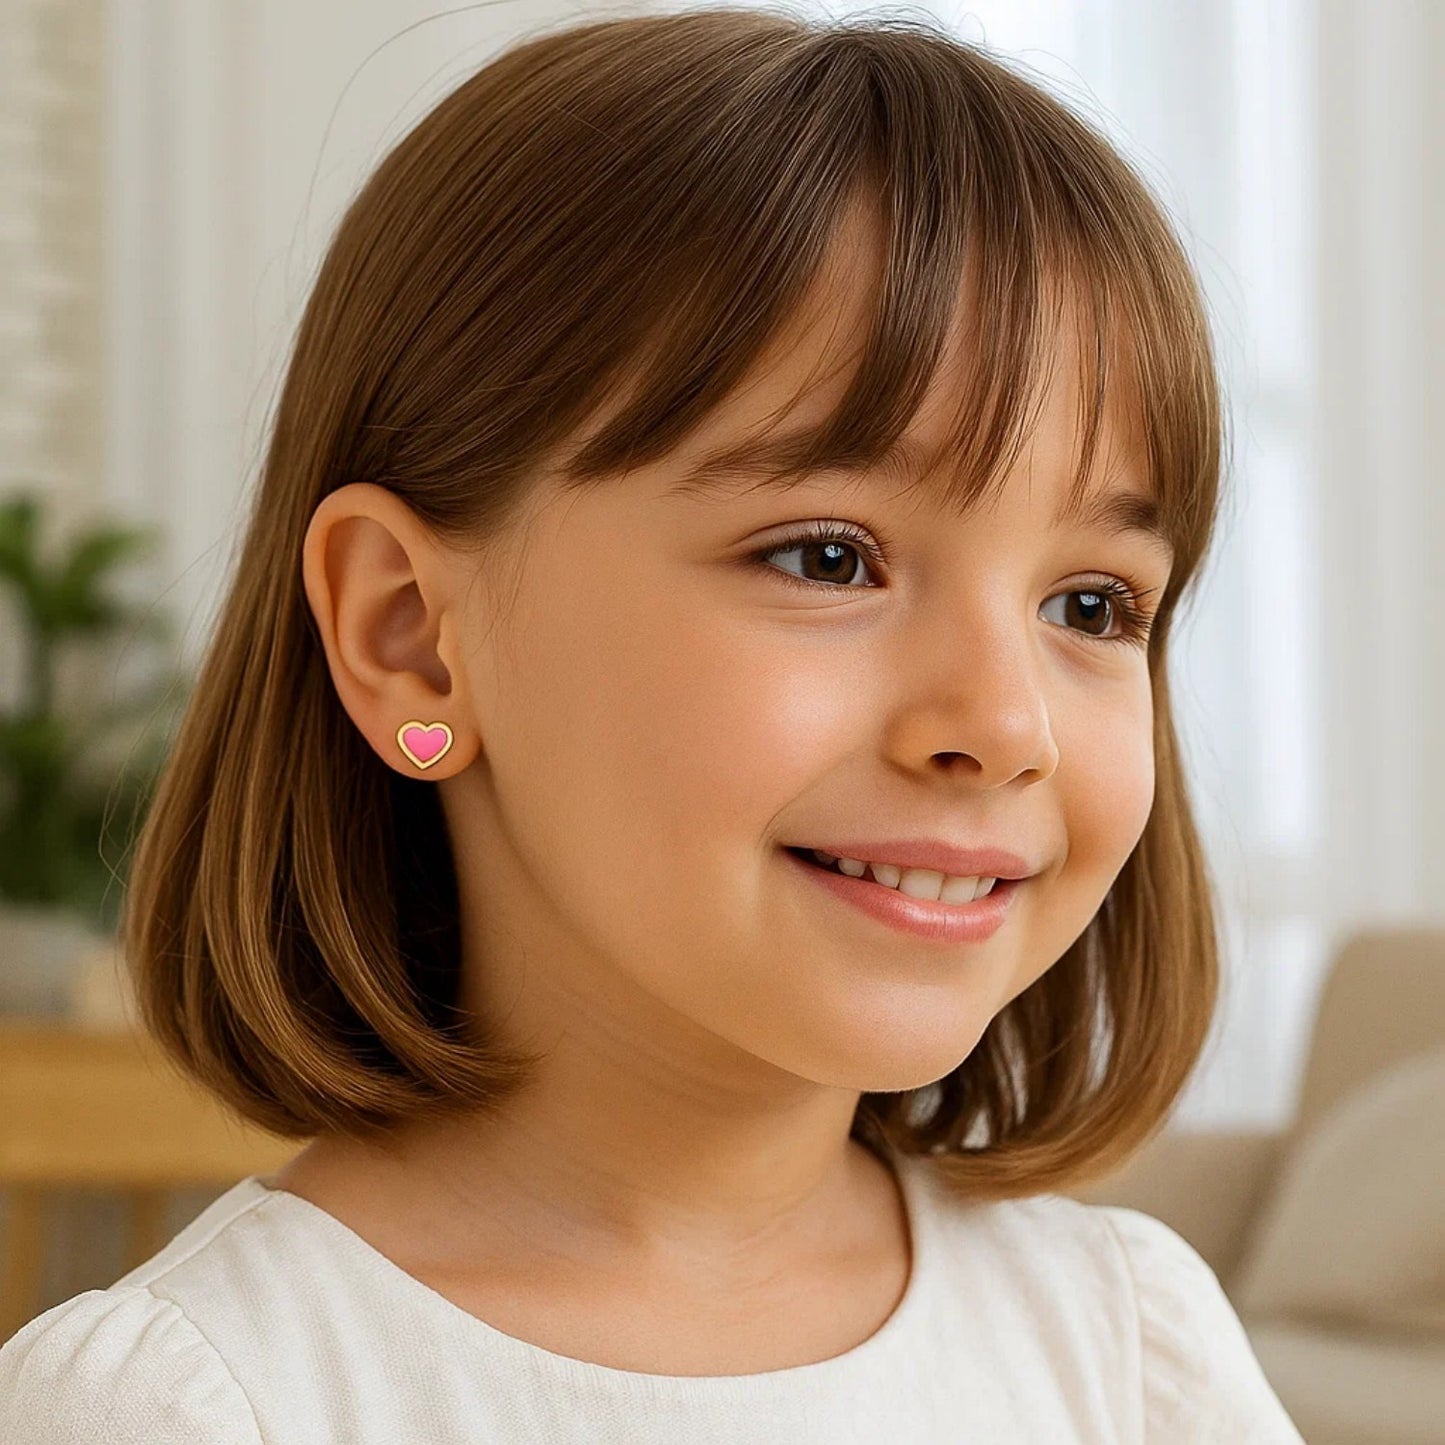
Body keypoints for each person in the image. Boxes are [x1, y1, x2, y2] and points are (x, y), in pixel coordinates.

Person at [0, 7, 1307, 1440]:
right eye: (827, 556)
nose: (1001, 725)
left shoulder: (1129, 1348)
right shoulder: (191, 1403)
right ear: (407, 637)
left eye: (1091, 605)